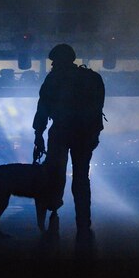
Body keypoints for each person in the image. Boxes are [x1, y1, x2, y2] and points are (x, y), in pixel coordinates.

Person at [32, 44, 105, 241]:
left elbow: (43, 108)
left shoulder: (53, 79)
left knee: (55, 175)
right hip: (84, 134)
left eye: (55, 60)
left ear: (60, 60)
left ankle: (53, 214)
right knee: (81, 177)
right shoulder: (91, 78)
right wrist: (95, 134)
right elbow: (97, 108)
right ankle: (83, 222)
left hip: (61, 132)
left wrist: (38, 135)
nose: (53, 64)